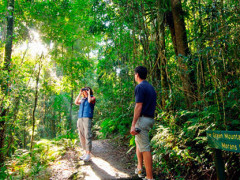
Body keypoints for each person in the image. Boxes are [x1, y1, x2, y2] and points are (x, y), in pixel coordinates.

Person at [130, 66, 156, 180]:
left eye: (134, 74)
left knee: (145, 148)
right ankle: (139, 167)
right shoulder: (150, 87)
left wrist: (133, 124)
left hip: (142, 120)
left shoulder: (140, 87)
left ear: (137, 75)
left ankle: (150, 177)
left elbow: (138, 105)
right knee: (139, 143)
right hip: (150, 119)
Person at [75, 87, 96, 162]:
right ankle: (85, 152)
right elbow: (76, 102)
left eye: (86, 90)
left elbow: (90, 101)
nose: (85, 92)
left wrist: (89, 93)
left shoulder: (92, 97)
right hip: (80, 117)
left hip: (87, 117)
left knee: (87, 134)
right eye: (84, 91)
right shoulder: (83, 99)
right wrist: (80, 93)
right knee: (81, 135)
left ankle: (88, 154)